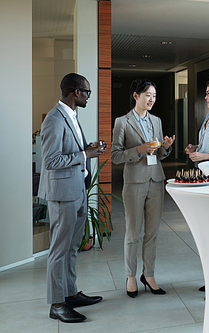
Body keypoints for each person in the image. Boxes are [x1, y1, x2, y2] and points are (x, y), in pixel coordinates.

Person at [38, 73, 105, 323]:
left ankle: (69, 293)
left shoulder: (72, 116)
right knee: (59, 250)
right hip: (62, 194)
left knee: (72, 248)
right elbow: (52, 161)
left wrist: (89, 149)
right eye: (87, 92)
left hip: (76, 190)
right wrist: (84, 154)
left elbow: (73, 151)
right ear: (76, 92)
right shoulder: (55, 119)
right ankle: (57, 304)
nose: (88, 96)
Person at [111, 79, 175, 297]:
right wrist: (139, 148)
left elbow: (158, 155)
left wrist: (165, 148)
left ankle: (149, 275)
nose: (152, 99)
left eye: (154, 96)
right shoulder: (122, 122)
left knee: (153, 233)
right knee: (133, 233)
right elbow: (115, 156)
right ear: (136, 96)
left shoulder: (156, 121)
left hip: (156, 181)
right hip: (134, 182)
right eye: (148, 95)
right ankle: (131, 276)